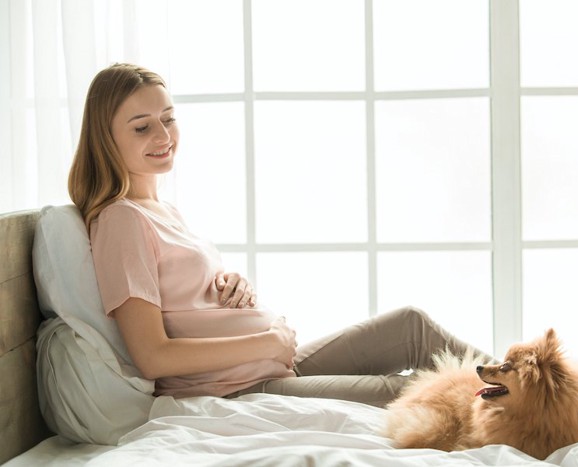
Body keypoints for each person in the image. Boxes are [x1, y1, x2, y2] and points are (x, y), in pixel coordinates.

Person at [67, 63, 494, 407]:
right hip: (235, 387)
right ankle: (535, 410)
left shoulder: (162, 211)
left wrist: (230, 284)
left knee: (411, 325)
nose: (163, 136)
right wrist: (267, 341)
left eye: (168, 118)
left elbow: (183, 297)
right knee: (412, 389)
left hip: (270, 363)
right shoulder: (121, 221)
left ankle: (537, 388)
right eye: (142, 127)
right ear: (106, 138)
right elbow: (152, 356)